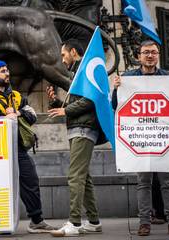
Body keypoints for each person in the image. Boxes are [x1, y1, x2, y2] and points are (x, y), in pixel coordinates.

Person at [112, 40, 169, 236]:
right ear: (139, 56)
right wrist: (116, 88)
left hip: (163, 141)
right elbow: (117, 106)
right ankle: (144, 222)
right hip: (142, 141)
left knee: (167, 182)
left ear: (158, 55)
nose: (150, 56)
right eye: (146, 52)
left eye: (153, 52)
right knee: (143, 183)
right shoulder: (128, 77)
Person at [0, 60, 55, 233]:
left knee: (30, 180)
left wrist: (17, 113)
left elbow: (32, 116)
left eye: (7, 69)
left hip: (18, 149)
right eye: (3, 71)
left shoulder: (17, 96)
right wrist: (4, 117)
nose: (7, 73)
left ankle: (37, 221)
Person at [46, 39, 103, 237]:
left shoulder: (84, 70)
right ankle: (94, 222)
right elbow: (77, 104)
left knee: (75, 176)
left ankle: (75, 223)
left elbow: (90, 100)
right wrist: (56, 102)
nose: (62, 60)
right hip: (79, 127)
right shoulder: (78, 74)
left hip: (83, 129)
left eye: (63, 55)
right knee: (84, 177)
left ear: (73, 52)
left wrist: (65, 109)